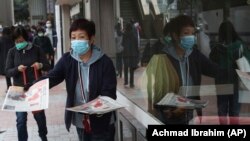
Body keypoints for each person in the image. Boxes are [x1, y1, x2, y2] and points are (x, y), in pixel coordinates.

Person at [26, 18, 117, 141]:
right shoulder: (67, 60)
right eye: (73, 38)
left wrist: (96, 109)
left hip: (102, 121)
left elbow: (109, 92)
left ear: (91, 39)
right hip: (81, 122)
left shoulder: (105, 62)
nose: (76, 41)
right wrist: (32, 86)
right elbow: (51, 78)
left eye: (81, 37)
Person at [161, 15, 224, 124]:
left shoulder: (194, 55)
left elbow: (214, 69)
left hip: (189, 112)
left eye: (192, 33)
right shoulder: (163, 58)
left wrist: (238, 73)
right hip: (170, 114)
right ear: (176, 36)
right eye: (186, 33)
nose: (191, 37)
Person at [5, 26, 50, 141]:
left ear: (26, 38)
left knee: (39, 117)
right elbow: (7, 71)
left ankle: (43, 136)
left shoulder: (36, 49)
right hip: (18, 90)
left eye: (21, 40)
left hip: (35, 87)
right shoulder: (12, 52)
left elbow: (47, 65)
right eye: (16, 41)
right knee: (20, 120)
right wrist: (17, 69)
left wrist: (40, 65)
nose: (19, 43)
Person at [209, 20, 245, 124]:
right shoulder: (239, 45)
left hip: (221, 82)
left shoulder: (216, 47)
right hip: (235, 81)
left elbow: (211, 62)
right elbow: (244, 64)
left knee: (222, 109)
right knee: (234, 110)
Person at [122, 22, 139, 88]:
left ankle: (126, 81)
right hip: (132, 54)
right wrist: (137, 52)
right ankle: (131, 83)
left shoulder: (124, 35)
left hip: (126, 54)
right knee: (132, 70)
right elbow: (136, 44)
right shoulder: (133, 35)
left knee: (126, 68)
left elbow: (122, 44)